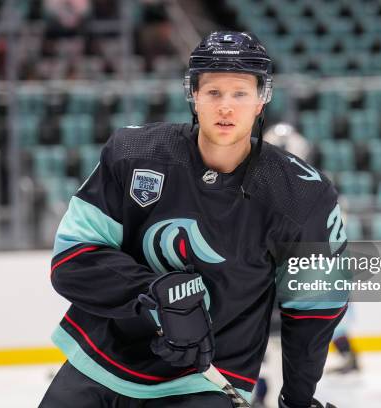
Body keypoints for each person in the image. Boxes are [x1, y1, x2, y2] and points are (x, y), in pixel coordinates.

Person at [40, 31, 347, 408]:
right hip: (101, 361)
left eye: (240, 93)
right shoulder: (133, 154)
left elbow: (315, 307)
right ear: (194, 96)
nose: (226, 107)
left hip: (207, 382)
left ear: (261, 100)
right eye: (214, 92)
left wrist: (298, 399)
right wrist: (154, 293)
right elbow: (71, 261)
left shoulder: (304, 195)